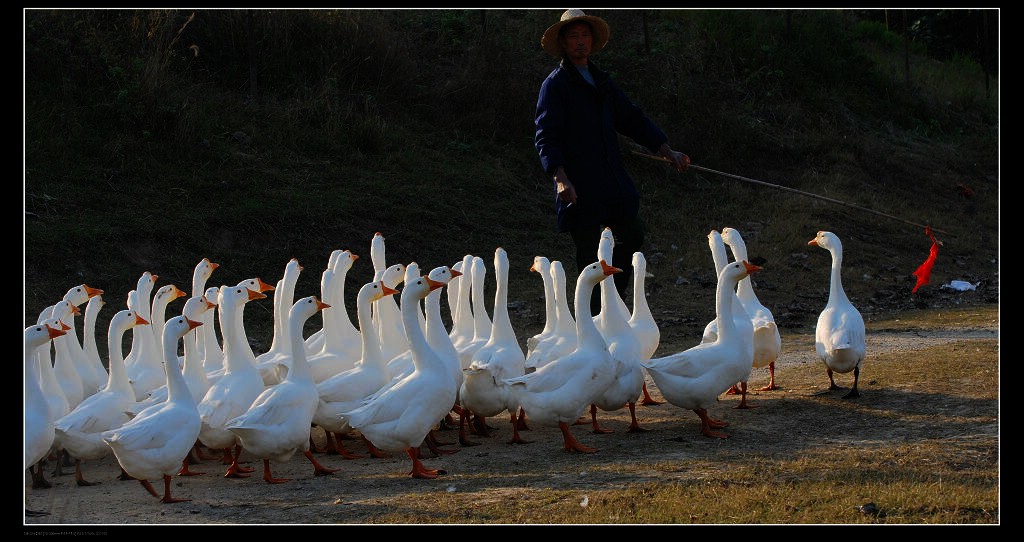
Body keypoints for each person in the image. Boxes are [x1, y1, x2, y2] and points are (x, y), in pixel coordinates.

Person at [534, 9, 689, 314]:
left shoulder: (601, 81)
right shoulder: (555, 86)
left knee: (633, 233)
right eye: (574, 37)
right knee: (589, 256)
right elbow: (546, 135)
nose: (580, 42)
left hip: (610, 179)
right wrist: (560, 177)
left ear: (592, 40)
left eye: (585, 35)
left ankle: (612, 305)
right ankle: (590, 322)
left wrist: (665, 149)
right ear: (564, 44)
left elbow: (630, 117)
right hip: (578, 182)